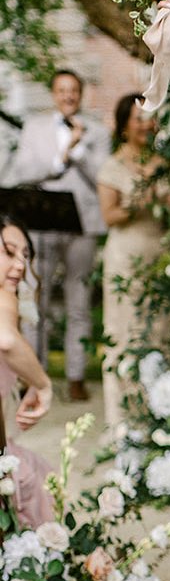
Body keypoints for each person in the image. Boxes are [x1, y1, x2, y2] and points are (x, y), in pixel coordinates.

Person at [5, 69, 108, 401]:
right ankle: (36, 376)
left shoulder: (98, 131)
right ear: (53, 94)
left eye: (74, 90)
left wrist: (78, 153)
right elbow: (20, 172)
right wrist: (57, 161)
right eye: (62, 90)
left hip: (83, 226)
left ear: (81, 94)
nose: (68, 96)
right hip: (41, 223)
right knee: (36, 301)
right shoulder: (34, 128)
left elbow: (104, 180)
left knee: (79, 302)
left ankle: (76, 376)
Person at [97, 94, 164, 430]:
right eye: (137, 118)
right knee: (125, 333)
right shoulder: (112, 166)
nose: (145, 124)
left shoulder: (165, 162)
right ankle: (123, 421)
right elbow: (109, 215)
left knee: (160, 333)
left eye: (149, 117)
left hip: (162, 255)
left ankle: (160, 412)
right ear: (124, 125)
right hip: (125, 256)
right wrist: (142, 201)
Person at [0, 213, 54, 529]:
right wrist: (44, 385)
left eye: (25, 255)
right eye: (8, 252)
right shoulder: (4, 299)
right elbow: (6, 341)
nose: (20, 264)